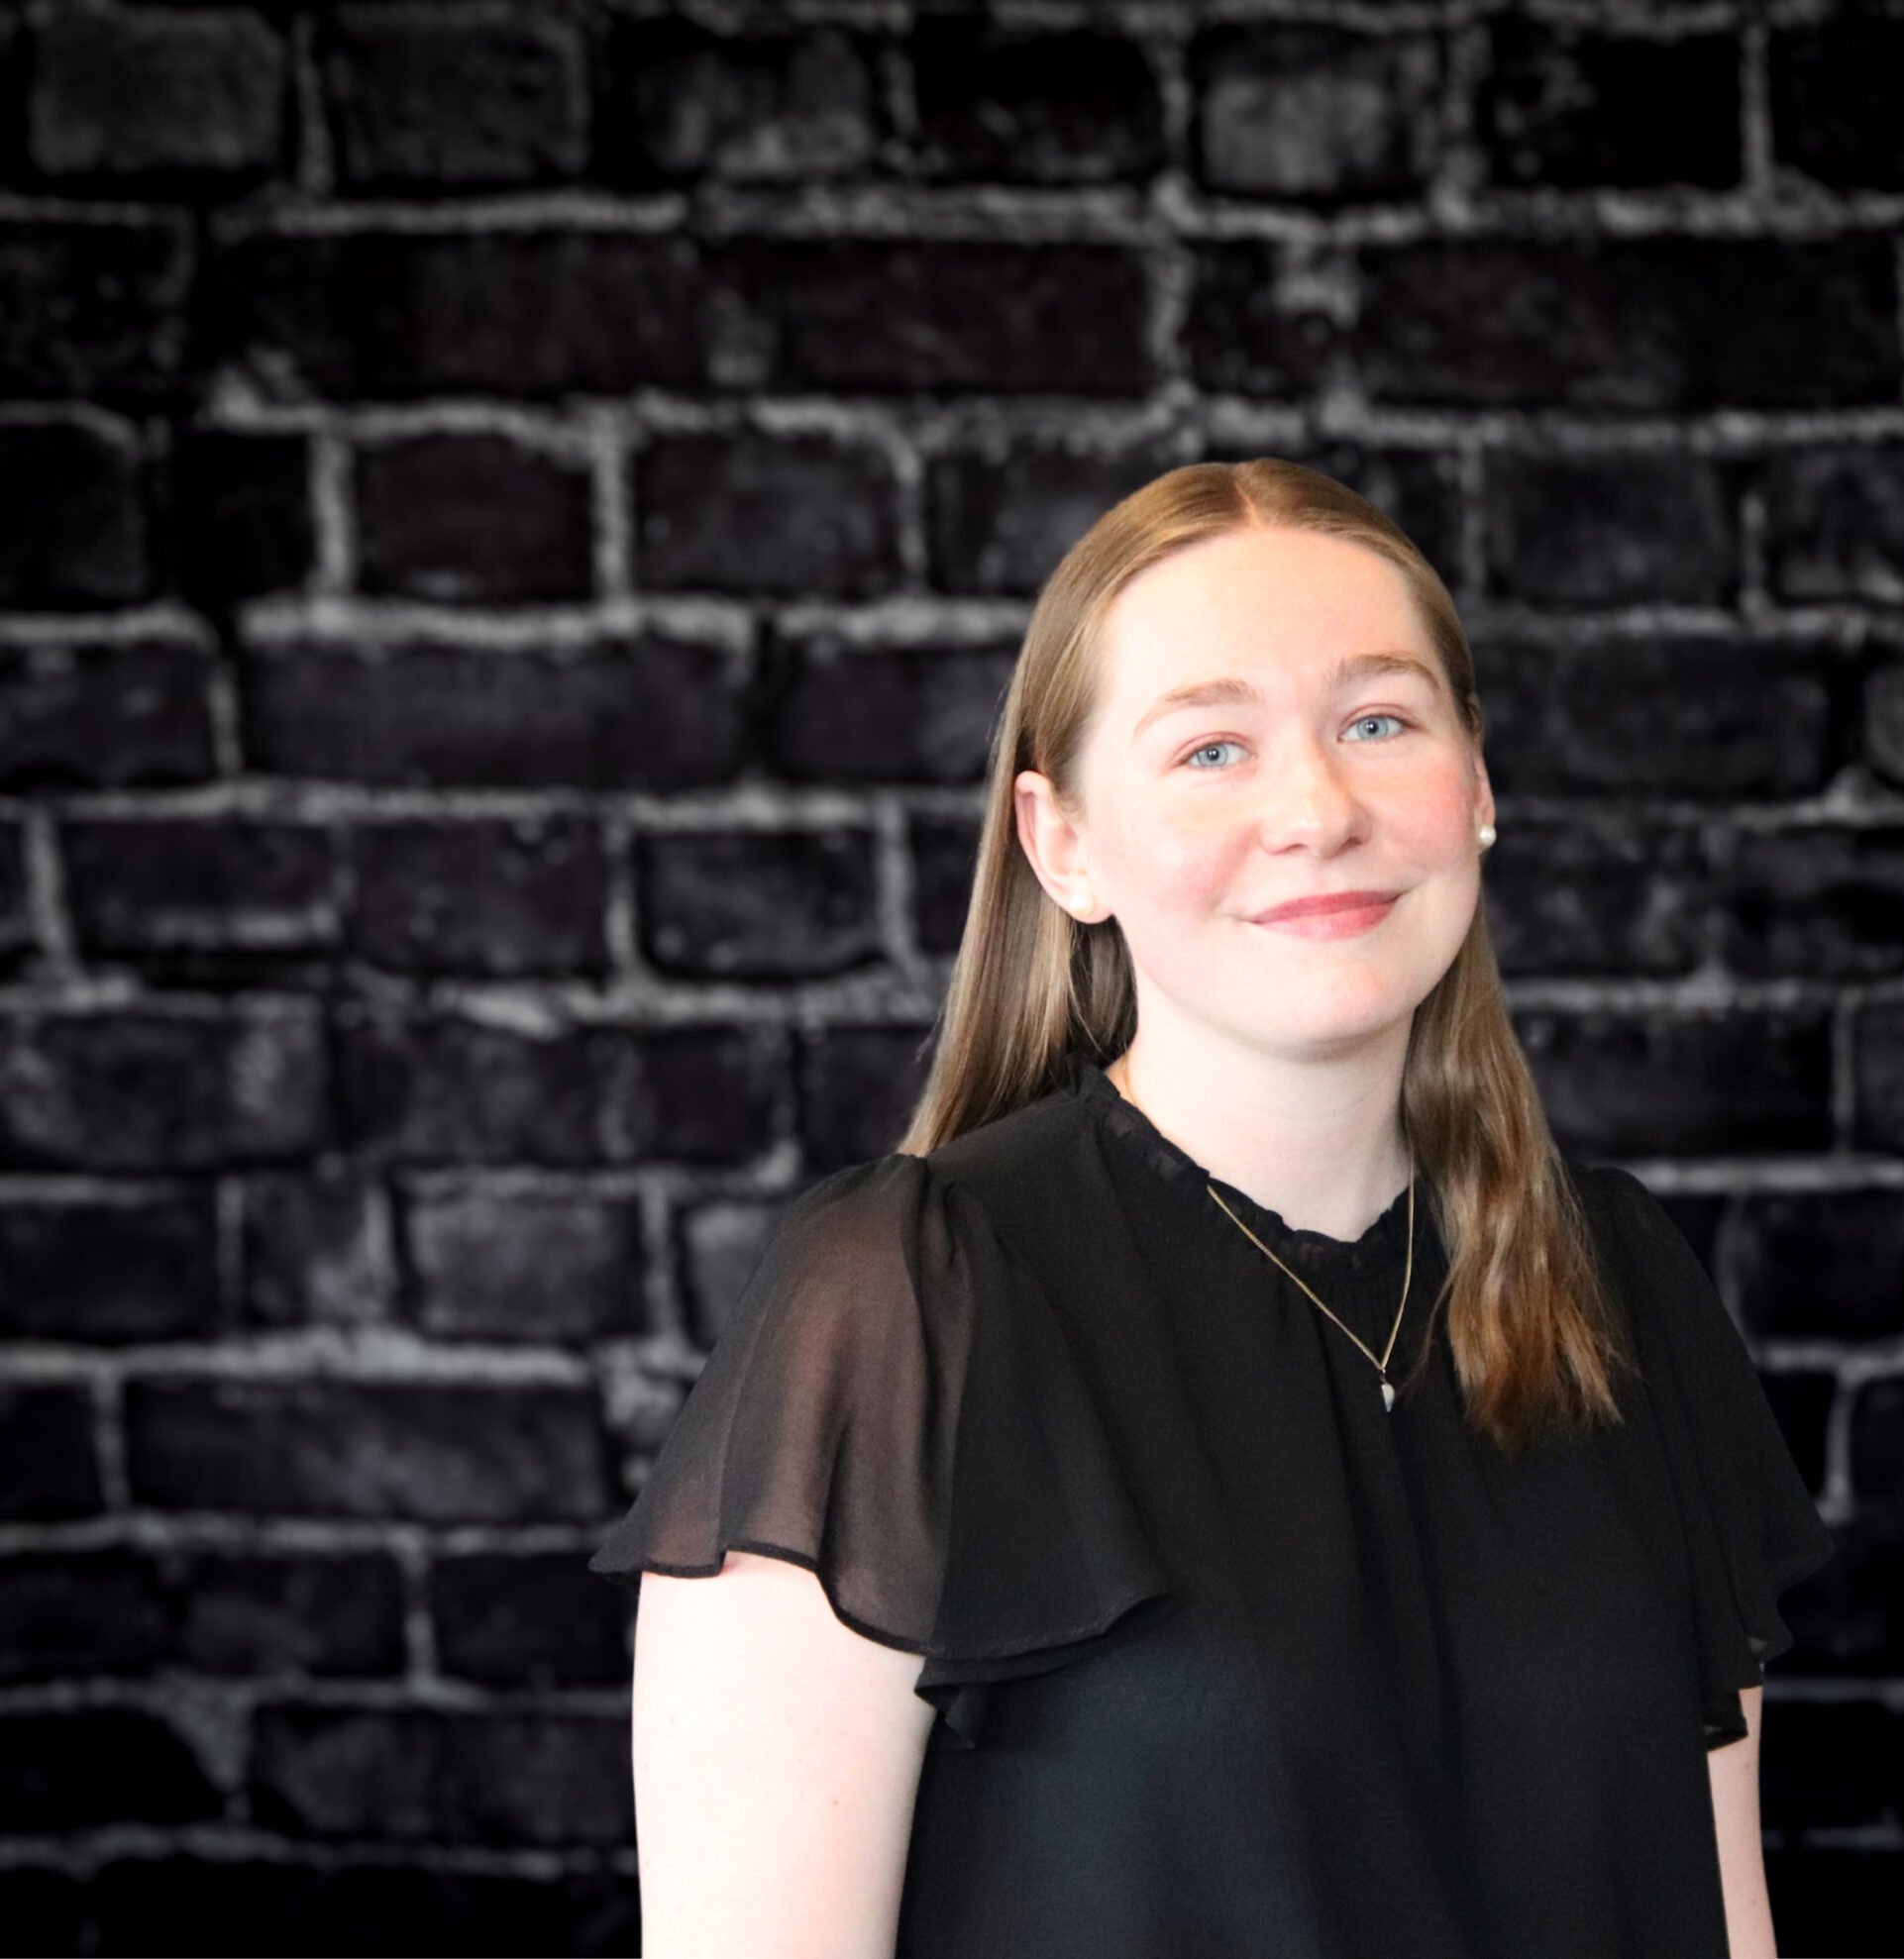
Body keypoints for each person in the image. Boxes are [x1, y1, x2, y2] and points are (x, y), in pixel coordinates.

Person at [587, 458, 1837, 1958]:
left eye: (1378, 722)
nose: (1316, 807)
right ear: (1065, 845)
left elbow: (1727, 1925)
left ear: (1479, 785)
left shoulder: (1618, 1282)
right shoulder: (908, 1300)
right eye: (1210, 750)